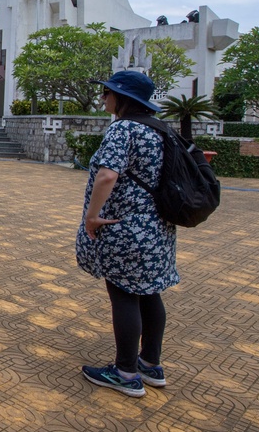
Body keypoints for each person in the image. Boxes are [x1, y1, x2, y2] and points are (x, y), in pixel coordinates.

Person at [76, 70, 176, 398]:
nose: (104, 97)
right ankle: (151, 364)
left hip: (124, 226)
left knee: (123, 293)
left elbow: (107, 175)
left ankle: (125, 372)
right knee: (149, 292)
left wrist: (93, 216)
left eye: (108, 93)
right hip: (157, 228)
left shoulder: (124, 129)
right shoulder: (161, 130)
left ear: (123, 98)